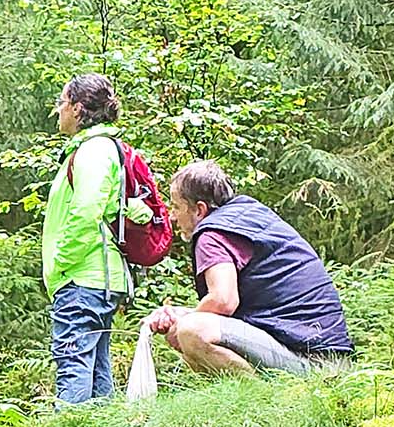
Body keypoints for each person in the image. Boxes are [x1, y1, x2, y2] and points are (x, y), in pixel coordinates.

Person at [143, 161, 353, 376]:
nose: (172, 216)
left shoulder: (212, 235)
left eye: (177, 206)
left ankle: (267, 401)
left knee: (191, 332)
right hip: (330, 358)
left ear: (199, 209)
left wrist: (183, 323)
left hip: (314, 363)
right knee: (190, 330)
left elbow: (223, 301)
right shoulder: (248, 216)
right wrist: (181, 314)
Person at [43, 73, 152, 404]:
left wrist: (62, 262)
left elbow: (86, 211)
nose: (58, 111)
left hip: (82, 277)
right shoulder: (101, 149)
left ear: (77, 109)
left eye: (61, 103)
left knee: (73, 364)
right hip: (98, 277)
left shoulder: (93, 151)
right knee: (97, 369)